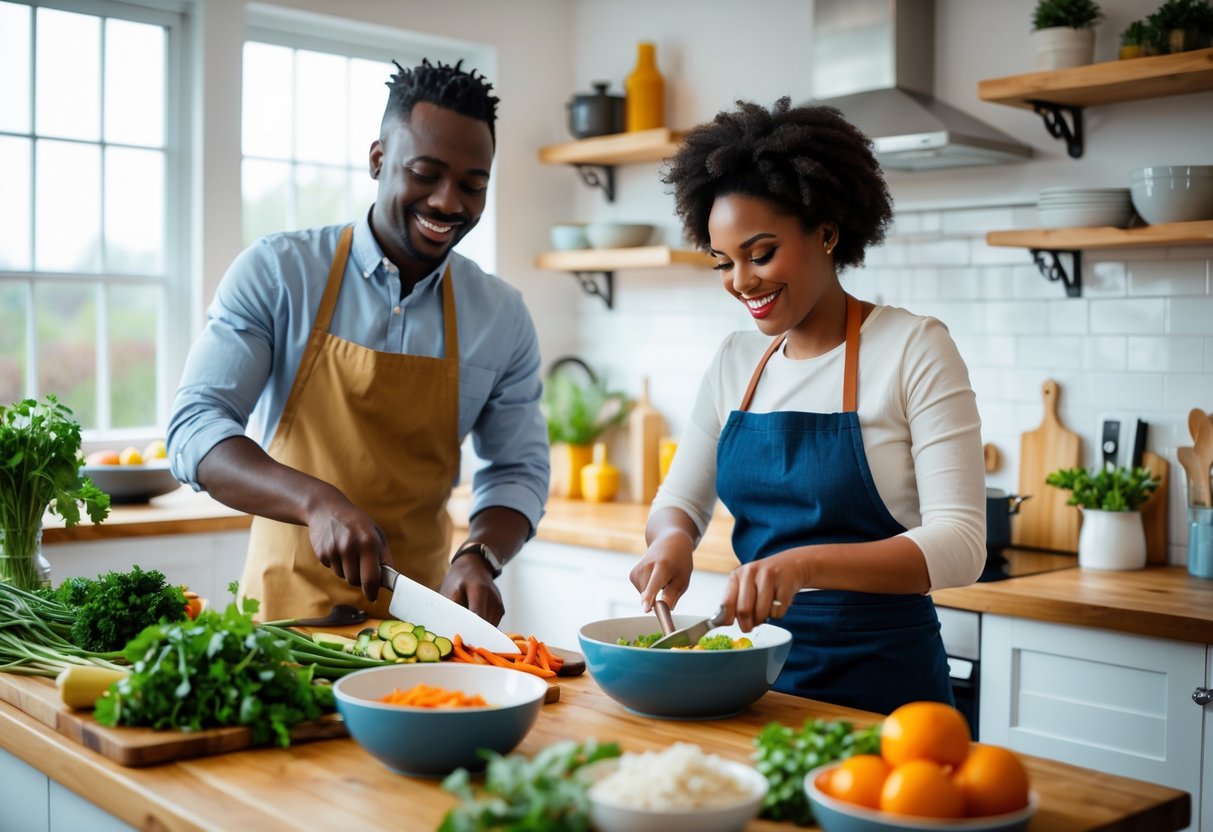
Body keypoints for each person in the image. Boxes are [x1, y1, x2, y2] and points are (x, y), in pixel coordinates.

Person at [630, 98, 985, 715]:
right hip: (753, 677)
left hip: (884, 690)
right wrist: (670, 543)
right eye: (723, 261)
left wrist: (801, 566)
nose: (740, 281)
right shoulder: (736, 362)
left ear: (825, 232)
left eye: (760, 253)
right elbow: (680, 503)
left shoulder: (912, 346)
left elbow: (961, 546)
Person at [167, 59, 549, 624]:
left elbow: (518, 469)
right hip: (282, 624)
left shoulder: (501, 315)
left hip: (422, 627)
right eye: (425, 173)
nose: (449, 203)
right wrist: (314, 501)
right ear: (378, 160)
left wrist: (480, 555)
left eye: (473, 186)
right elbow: (196, 427)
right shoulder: (279, 272)